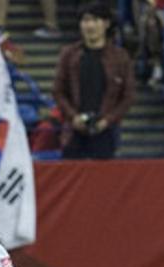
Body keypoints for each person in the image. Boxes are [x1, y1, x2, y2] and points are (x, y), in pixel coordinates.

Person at [52, 3, 136, 160]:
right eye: (85, 20)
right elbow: (58, 91)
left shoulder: (120, 57)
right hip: (73, 131)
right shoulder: (69, 54)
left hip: (106, 131)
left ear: (106, 24)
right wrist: (72, 117)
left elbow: (128, 96)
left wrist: (107, 120)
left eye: (95, 20)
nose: (89, 25)